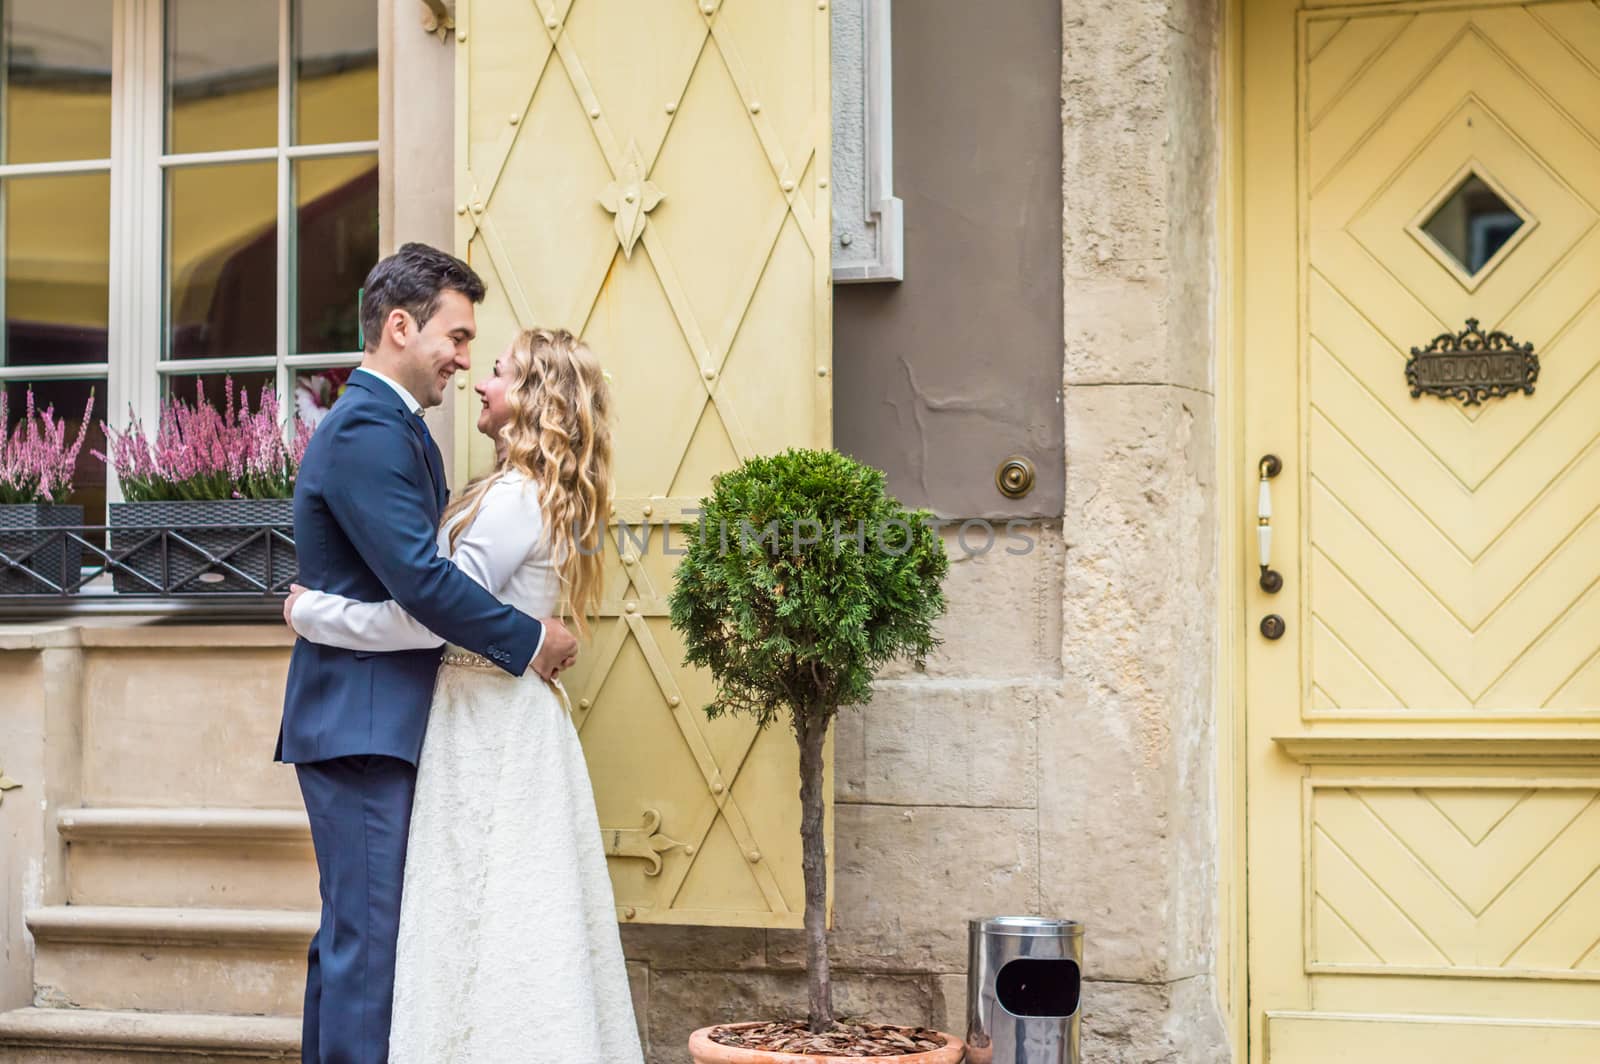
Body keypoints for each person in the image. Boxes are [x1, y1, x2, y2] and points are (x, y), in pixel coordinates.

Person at [286, 326, 645, 1062]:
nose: (480, 381)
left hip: (486, 720)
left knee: (475, 918)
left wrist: (311, 611)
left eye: (500, 372)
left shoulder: (516, 497)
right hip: (492, 715)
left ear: (536, 399)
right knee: (493, 917)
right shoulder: (527, 491)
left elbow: (431, 617)